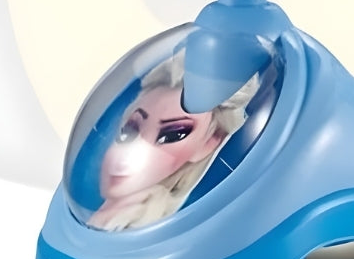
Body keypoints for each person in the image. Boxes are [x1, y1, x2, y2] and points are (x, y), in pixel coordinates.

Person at [89, 52, 259, 231]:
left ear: (209, 142)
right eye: (130, 131)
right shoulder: (106, 216)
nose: (126, 158)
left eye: (170, 136)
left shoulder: (151, 226)